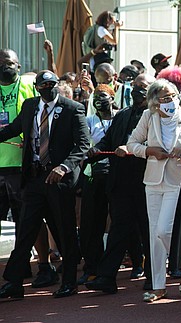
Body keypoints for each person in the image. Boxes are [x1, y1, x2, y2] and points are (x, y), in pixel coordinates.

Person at [0, 70, 90, 299]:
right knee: (25, 230)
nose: (48, 89)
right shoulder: (30, 106)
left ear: (57, 86)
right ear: (37, 88)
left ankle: (69, 281)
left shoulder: (72, 108)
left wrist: (64, 167)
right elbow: (13, 129)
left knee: (65, 229)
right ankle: (13, 282)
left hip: (59, 180)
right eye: (44, 86)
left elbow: (82, 145)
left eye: (52, 85)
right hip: (34, 178)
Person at [126, 79, 181, 302]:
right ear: (155, 102)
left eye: (172, 96)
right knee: (154, 235)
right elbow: (132, 144)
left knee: (164, 230)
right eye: (164, 98)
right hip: (152, 181)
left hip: (177, 181)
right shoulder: (149, 117)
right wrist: (149, 151)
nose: (169, 101)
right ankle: (159, 286)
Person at [84, 73, 156, 294]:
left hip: (145, 182)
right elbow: (109, 141)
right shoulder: (123, 114)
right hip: (120, 183)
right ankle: (106, 277)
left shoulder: (154, 116)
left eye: (142, 87)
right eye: (134, 86)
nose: (136, 91)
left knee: (148, 231)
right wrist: (95, 152)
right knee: (118, 230)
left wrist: (132, 149)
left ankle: (154, 277)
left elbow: (153, 143)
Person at [78, 85, 116, 285]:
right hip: (93, 176)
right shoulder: (89, 120)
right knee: (91, 224)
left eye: (102, 96)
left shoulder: (121, 118)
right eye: (95, 97)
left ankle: (135, 262)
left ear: (112, 97)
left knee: (120, 222)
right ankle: (92, 267)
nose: (98, 100)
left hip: (117, 177)